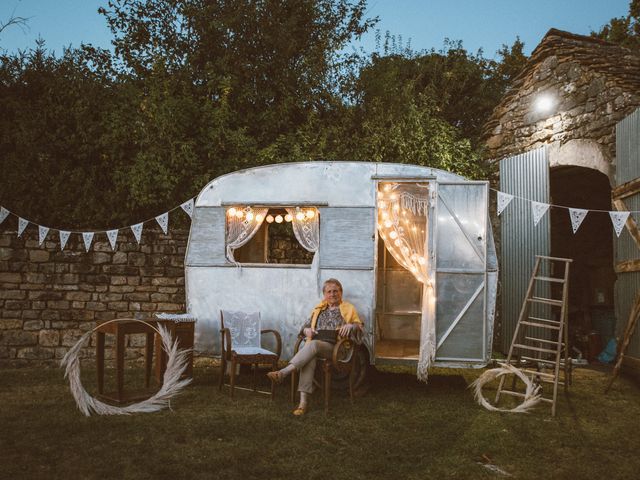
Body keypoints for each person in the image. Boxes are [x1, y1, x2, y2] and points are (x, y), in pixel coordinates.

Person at [267, 278, 362, 415]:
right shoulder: (319, 309)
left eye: (335, 291)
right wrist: (306, 330)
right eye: (329, 292)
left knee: (313, 345)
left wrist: (351, 325)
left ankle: (284, 372)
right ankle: (303, 403)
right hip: (317, 346)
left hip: (337, 349)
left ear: (341, 292)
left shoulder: (348, 308)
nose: (332, 294)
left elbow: (360, 328)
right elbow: (304, 327)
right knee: (309, 358)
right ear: (325, 294)